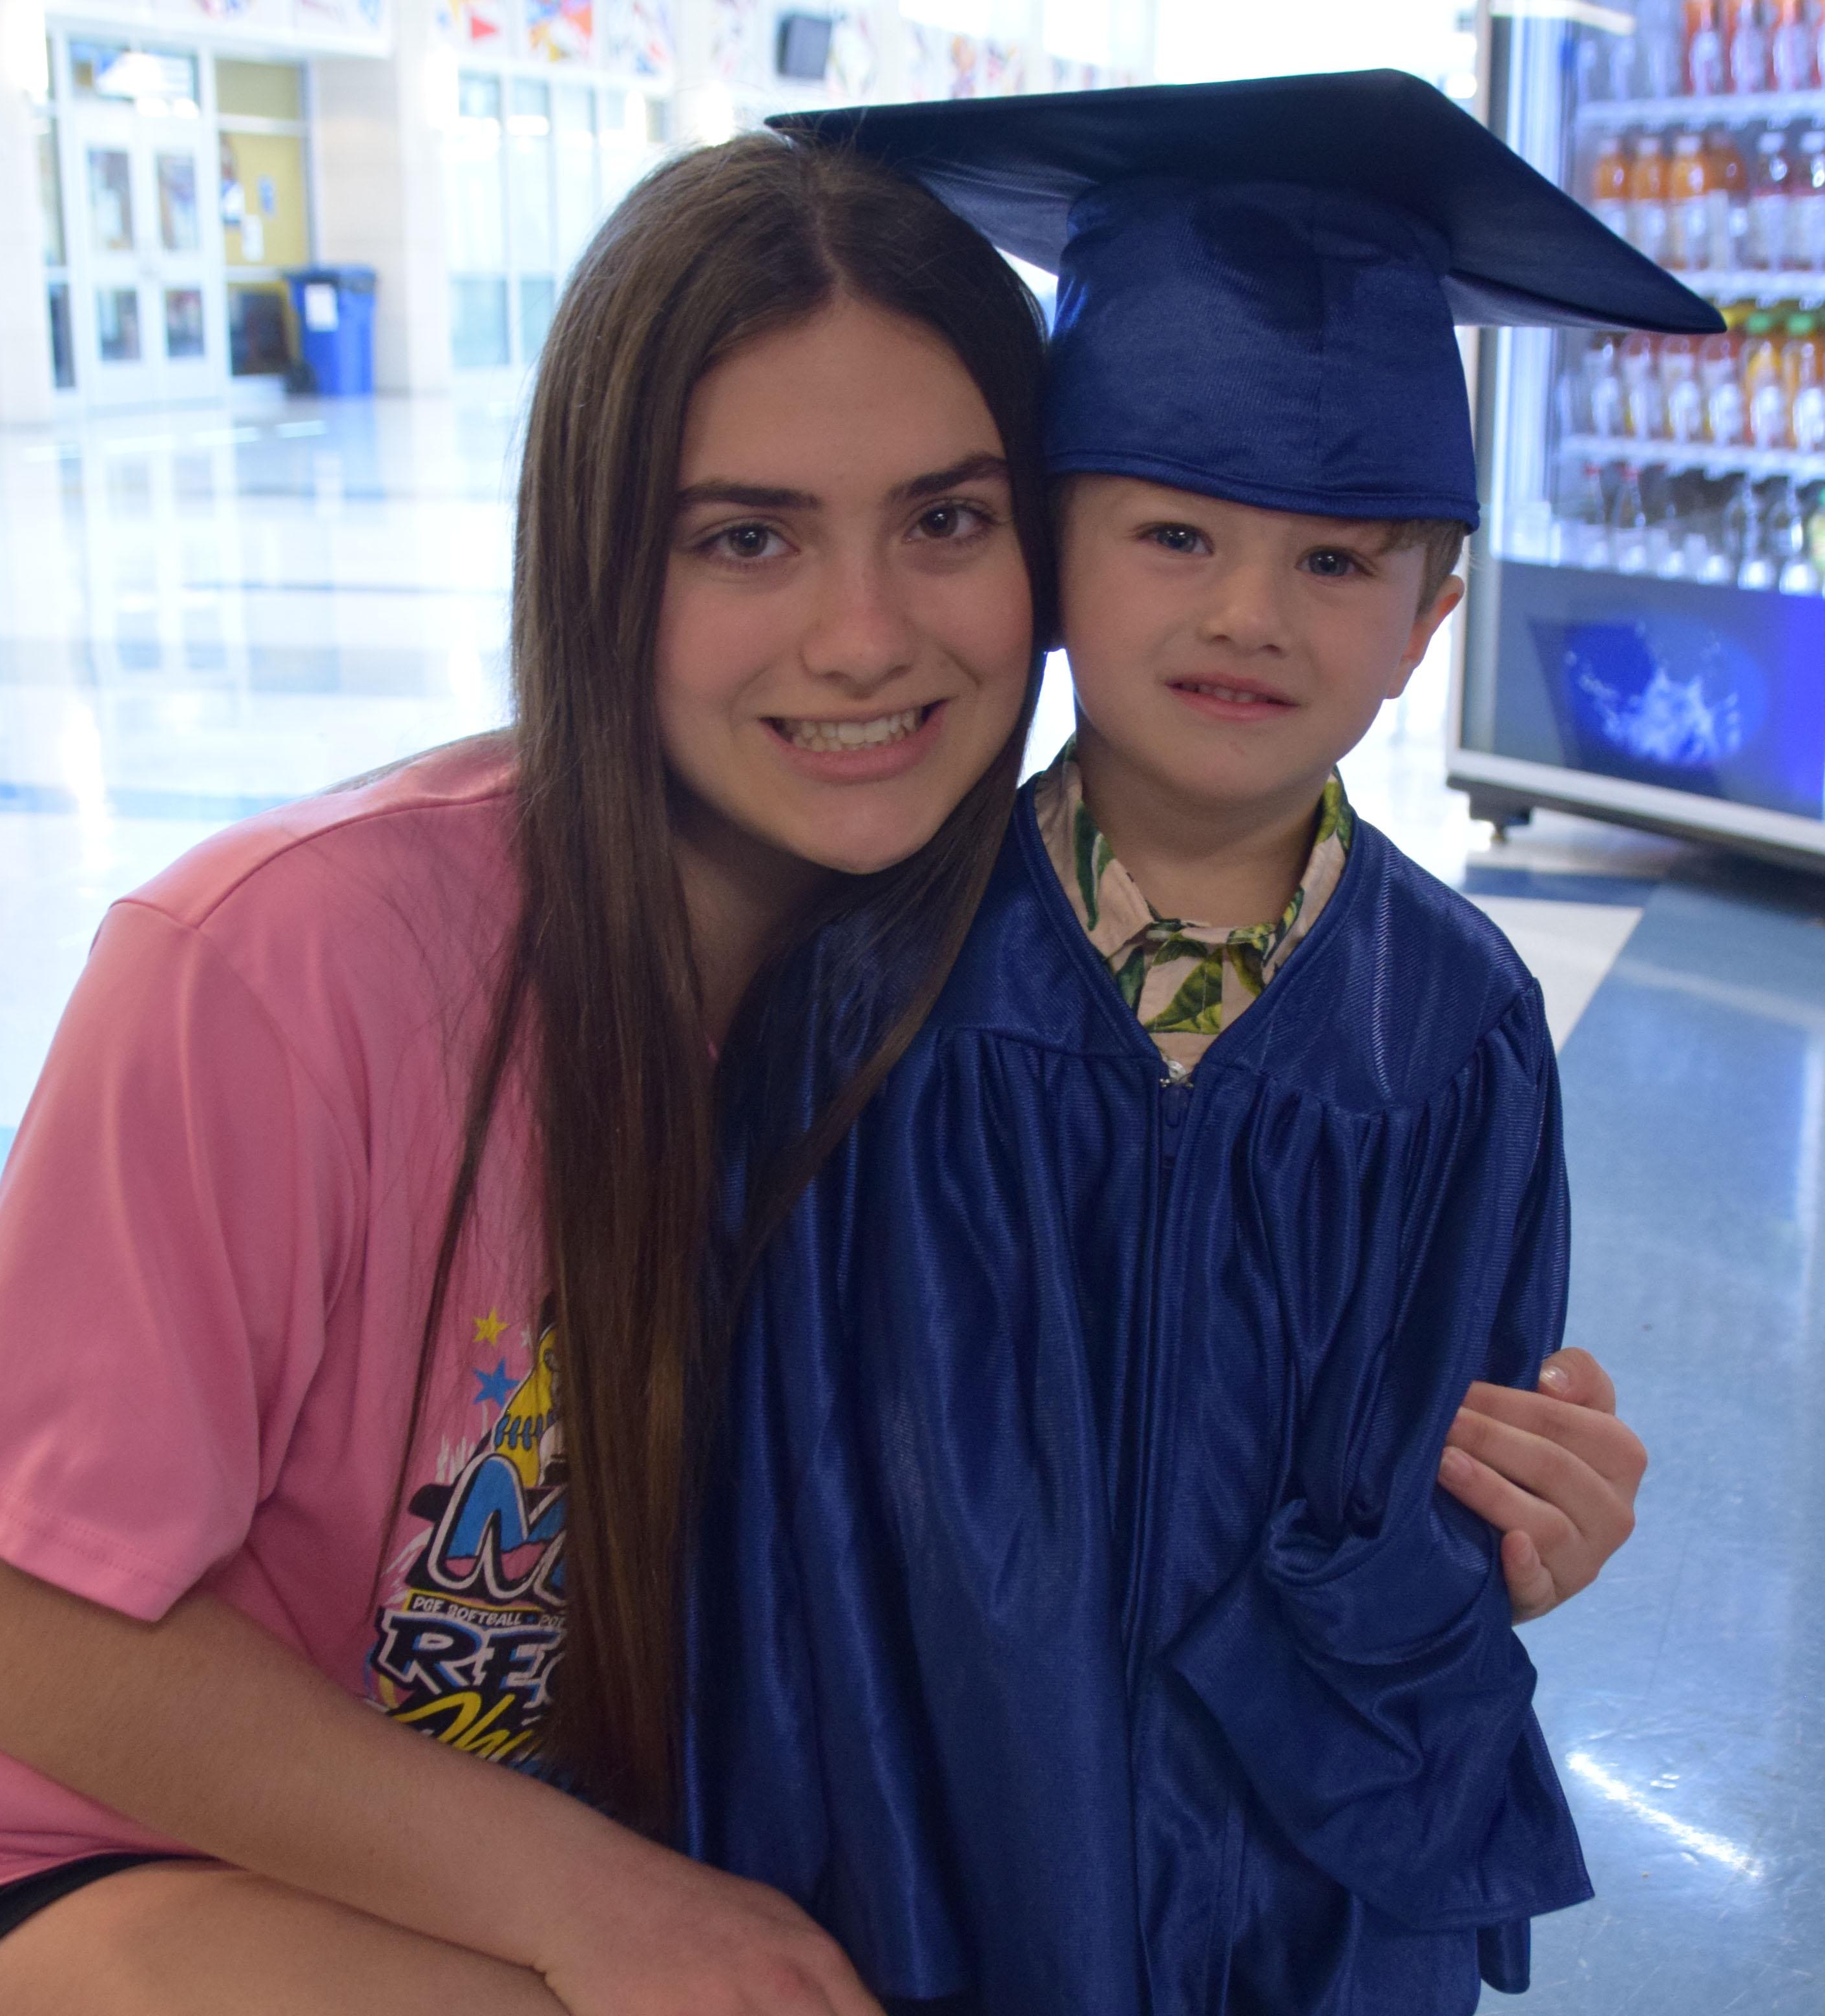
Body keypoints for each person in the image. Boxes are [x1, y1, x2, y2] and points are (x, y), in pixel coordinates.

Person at [0, 119, 1640, 2016]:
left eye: (945, 521)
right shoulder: (291, 966)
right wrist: (593, 1900)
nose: (863, 640)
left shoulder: (1007, 984)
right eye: (745, 537)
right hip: (57, 1856)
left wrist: (1448, 1528)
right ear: (601, 558)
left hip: (536, 1836)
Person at [682, 72, 1701, 2016]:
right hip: (934, 1860)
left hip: (1305, 1899)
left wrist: (1505, 1546)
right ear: (1054, 553)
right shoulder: (876, 987)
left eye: (1338, 563)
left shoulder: (1458, 1032)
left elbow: (1452, 1483)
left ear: (1430, 618)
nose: (1249, 614)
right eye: (1171, 532)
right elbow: (792, 1513)